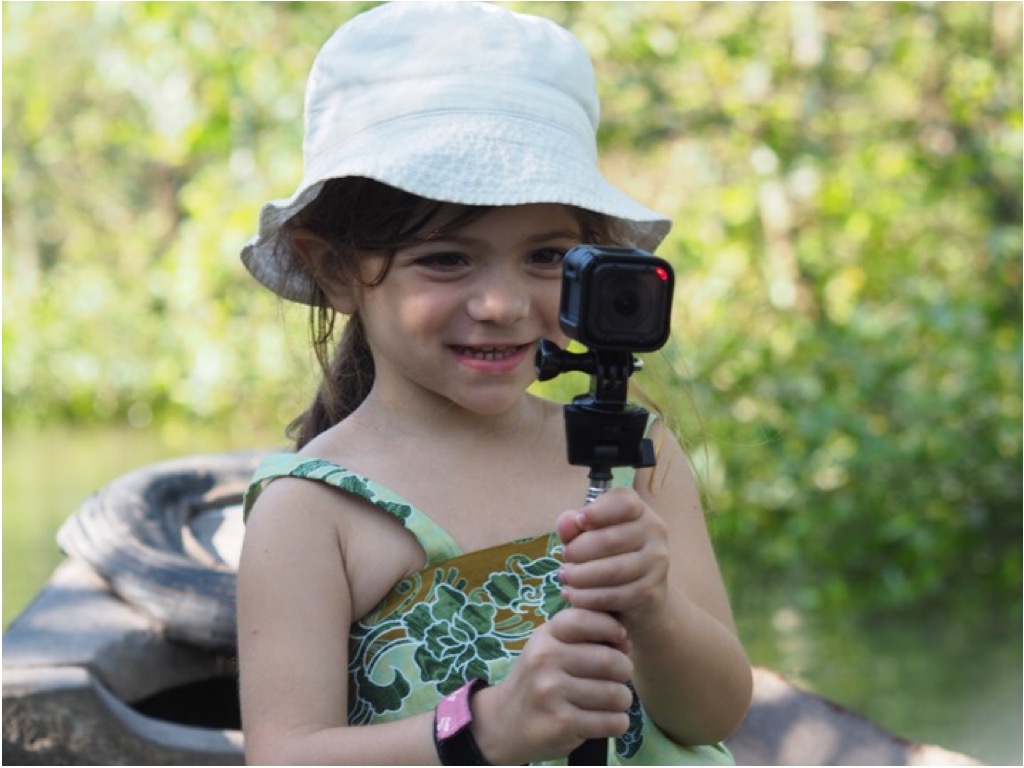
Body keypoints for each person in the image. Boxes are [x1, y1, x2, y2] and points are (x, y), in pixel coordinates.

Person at [235, 2, 752, 765]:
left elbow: (716, 714)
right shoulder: (312, 509)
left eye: (546, 257)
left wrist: (655, 608)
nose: (504, 305)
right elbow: (284, 757)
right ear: (337, 270)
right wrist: (486, 728)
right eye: (446, 259)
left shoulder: (638, 454)